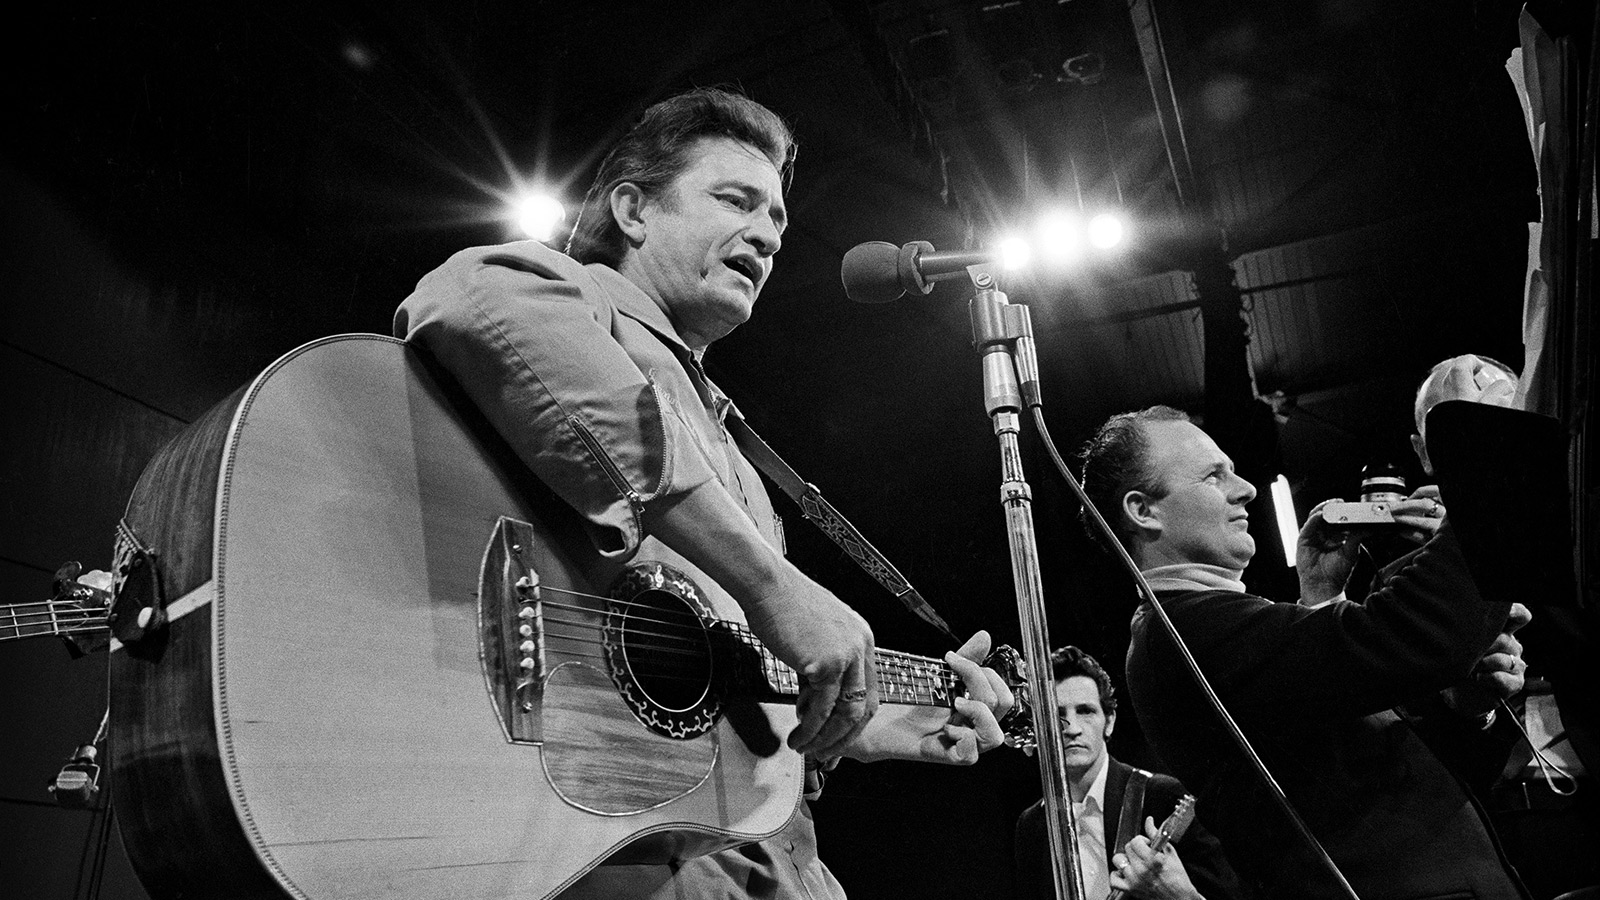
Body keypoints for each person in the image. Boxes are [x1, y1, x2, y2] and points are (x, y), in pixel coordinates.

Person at [394, 87, 1013, 899]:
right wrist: (769, 581)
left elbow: (707, 696)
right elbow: (473, 298)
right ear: (634, 209)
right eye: (735, 201)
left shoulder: (740, 461)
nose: (765, 234)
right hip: (613, 864)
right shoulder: (574, 298)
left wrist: (865, 720)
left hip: (755, 861)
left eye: (778, 222)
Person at [1081, 405, 1530, 899]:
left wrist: (1468, 709)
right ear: (1144, 512)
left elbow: (1396, 775)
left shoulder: (1209, 627)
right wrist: (1485, 479)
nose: (1246, 488)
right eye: (1214, 475)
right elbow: (1415, 636)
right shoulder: (1181, 633)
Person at [1413, 355, 1598, 899]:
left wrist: (1493, 532)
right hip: (1503, 822)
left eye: (1497, 423)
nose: (1482, 450)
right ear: (1424, 453)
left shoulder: (1577, 531)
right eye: (1456, 431)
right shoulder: (1398, 578)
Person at [1014, 646, 1244, 900]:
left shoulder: (1164, 797)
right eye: (1057, 715)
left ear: (1109, 721)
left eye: (1085, 711)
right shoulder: (1032, 824)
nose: (1072, 728)